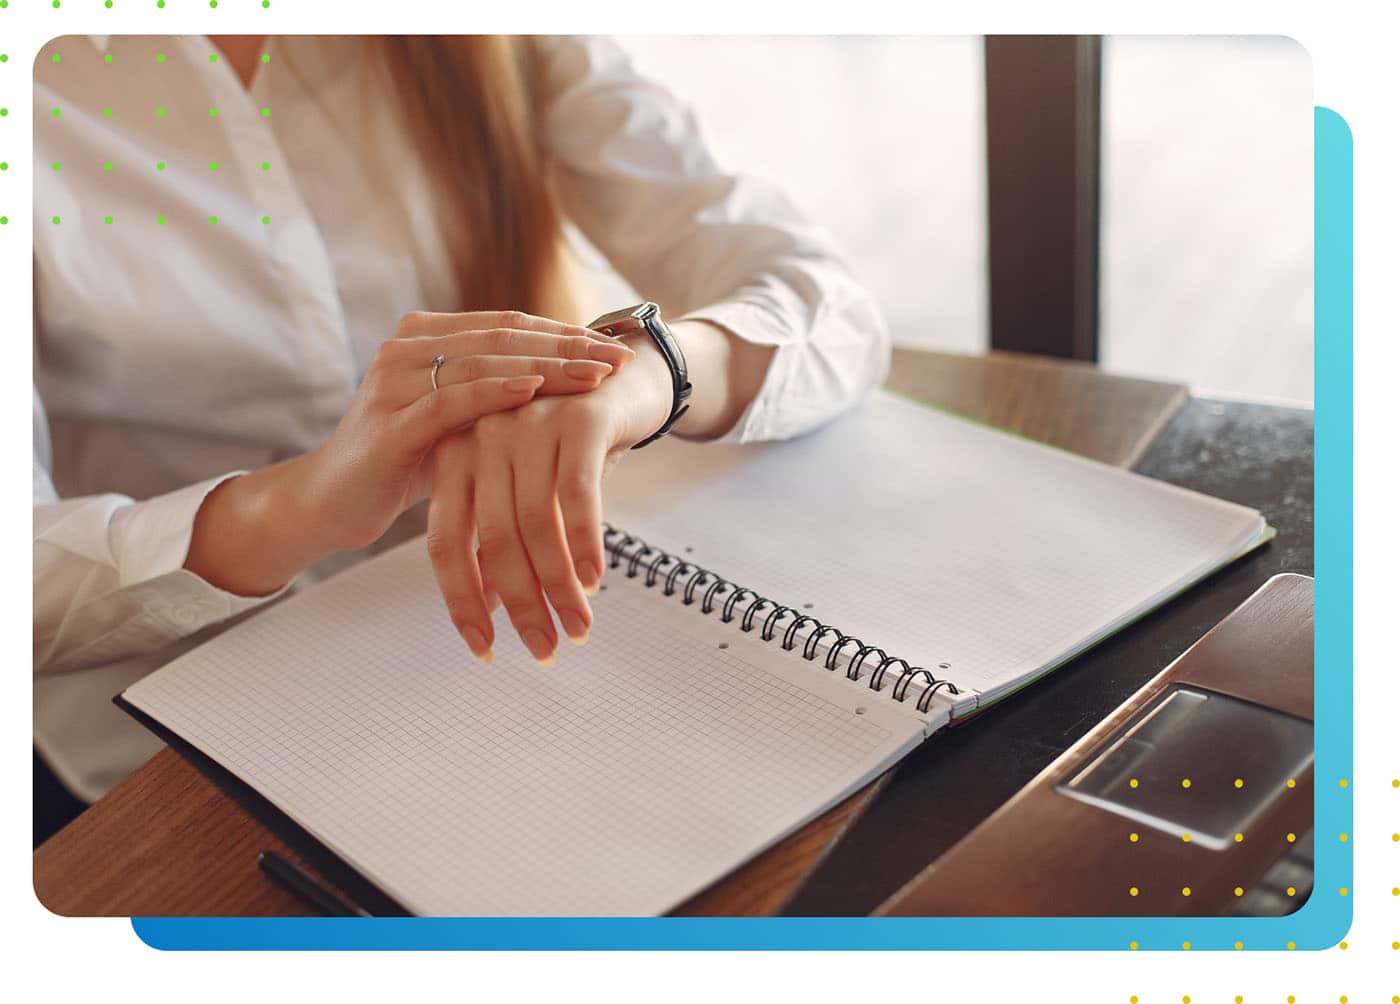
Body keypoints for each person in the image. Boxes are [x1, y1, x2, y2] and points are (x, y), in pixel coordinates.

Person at [32, 35, 890, 825]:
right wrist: (296, 507)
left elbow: (831, 306)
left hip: (514, 674)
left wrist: (639, 375)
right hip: (162, 759)